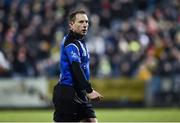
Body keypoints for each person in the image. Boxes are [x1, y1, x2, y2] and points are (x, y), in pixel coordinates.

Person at [52, 10, 103, 122]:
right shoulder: (70, 42)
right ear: (71, 24)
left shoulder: (80, 41)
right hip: (68, 92)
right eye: (80, 22)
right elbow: (76, 68)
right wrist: (89, 90)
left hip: (79, 92)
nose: (85, 25)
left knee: (91, 120)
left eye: (86, 22)